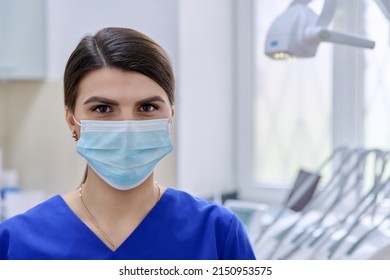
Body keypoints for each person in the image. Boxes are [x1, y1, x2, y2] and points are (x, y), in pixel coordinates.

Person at [0, 27, 256, 260]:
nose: (128, 127)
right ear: (72, 121)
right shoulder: (16, 243)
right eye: (102, 108)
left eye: (147, 107)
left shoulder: (216, 233)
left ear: (170, 117)